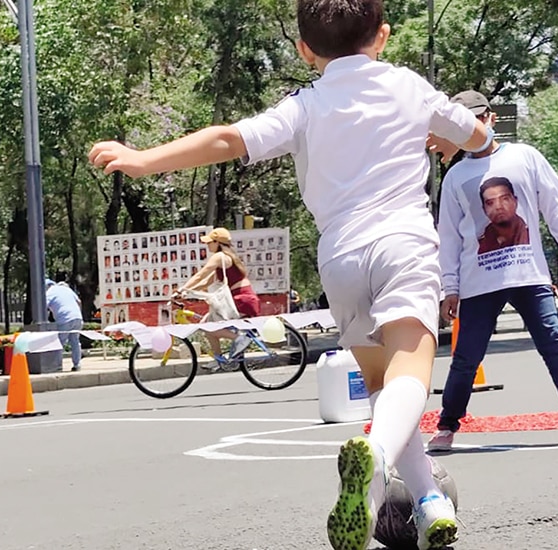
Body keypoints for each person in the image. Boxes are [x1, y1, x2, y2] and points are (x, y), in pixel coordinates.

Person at [87, 1, 494, 546]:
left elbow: (229, 139)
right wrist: (478, 141)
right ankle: (374, 461)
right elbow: (474, 135)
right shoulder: (409, 87)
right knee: (410, 377)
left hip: (341, 256)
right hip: (403, 242)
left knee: (379, 384)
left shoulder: (304, 104)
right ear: (384, 36)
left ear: (305, 50)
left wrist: (142, 158)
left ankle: (426, 505)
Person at [427, 89, 558, 454]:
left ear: (491, 119)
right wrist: (448, 288)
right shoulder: (456, 177)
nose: (472, 127)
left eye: (478, 118)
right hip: (478, 281)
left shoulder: (525, 157)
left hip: (529, 274)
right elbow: (448, 236)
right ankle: (446, 426)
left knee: (556, 345)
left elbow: (556, 204)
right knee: (466, 357)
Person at [174, 227, 260, 368]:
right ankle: (218, 360)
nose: (207, 245)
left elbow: (201, 274)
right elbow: (206, 282)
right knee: (205, 323)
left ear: (218, 243)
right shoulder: (227, 258)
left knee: (209, 327)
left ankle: (240, 338)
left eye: (210, 242)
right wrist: (185, 292)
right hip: (241, 299)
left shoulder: (219, 257)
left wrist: (183, 288)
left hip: (241, 300)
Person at [46, 278, 84, 371]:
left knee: (59, 343)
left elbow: (44, 305)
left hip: (64, 319)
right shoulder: (67, 289)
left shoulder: (50, 292)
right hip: (77, 317)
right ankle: (77, 364)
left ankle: (57, 366)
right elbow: (79, 301)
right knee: (75, 341)